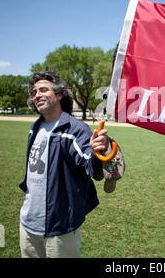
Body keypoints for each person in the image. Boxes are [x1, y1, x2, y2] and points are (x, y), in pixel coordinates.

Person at [18, 69, 124, 258]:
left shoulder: (74, 129)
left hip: (59, 228)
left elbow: (90, 167)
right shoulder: (35, 127)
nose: (37, 96)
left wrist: (96, 152)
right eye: (34, 93)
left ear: (59, 94)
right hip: (27, 224)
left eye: (43, 90)